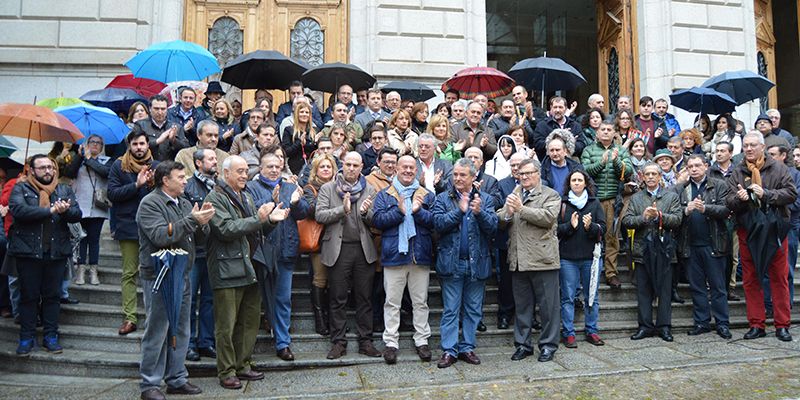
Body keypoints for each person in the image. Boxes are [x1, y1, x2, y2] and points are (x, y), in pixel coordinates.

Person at [205, 155, 289, 389]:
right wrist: (258, 219)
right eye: (239, 171)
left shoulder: (247, 196)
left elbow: (256, 227)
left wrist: (271, 221)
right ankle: (226, 371)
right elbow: (224, 229)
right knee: (227, 325)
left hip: (250, 266)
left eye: (246, 171)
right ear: (226, 174)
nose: (244, 175)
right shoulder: (215, 197)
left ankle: (243, 364)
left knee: (249, 321)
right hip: (227, 268)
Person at [136, 161, 213, 400]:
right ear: (164, 180)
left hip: (182, 274)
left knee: (181, 329)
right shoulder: (150, 203)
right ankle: (149, 384)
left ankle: (177, 378)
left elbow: (197, 238)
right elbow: (160, 235)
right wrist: (192, 221)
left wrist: (204, 222)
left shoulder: (186, 203)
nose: (185, 180)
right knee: (157, 330)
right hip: (159, 276)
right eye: (180, 177)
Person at [9, 155, 82, 356]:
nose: (48, 171)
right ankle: (26, 337)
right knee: (29, 296)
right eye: (42, 168)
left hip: (56, 252)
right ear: (32, 170)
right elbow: (19, 211)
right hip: (28, 252)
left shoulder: (63, 189)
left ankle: (51, 336)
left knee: (52, 296)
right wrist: (50, 210)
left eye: (50, 167)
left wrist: (65, 211)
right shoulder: (21, 188)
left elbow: (77, 214)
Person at [726, 132, 796, 342]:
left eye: (753, 145)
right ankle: (756, 324)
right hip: (748, 232)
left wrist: (766, 194)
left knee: (779, 279)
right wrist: (740, 198)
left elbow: (791, 194)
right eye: (746, 145)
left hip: (775, 232)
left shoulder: (779, 168)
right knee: (750, 280)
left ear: (762, 146)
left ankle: (782, 325)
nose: (748, 149)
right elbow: (728, 201)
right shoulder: (737, 172)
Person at [433, 158, 497, 368]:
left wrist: (479, 214)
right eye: (455, 175)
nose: (458, 178)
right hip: (452, 263)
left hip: (476, 264)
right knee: (451, 309)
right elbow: (438, 224)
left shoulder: (485, 199)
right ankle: (449, 350)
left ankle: (467, 347)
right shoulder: (443, 198)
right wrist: (459, 211)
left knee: (473, 309)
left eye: (463, 175)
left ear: (473, 177)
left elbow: (493, 228)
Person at [315, 152, 381, 360]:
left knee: (364, 298)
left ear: (362, 167)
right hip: (338, 248)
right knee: (337, 297)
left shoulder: (369, 189)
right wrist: (340, 210)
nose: (351, 168)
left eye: (355, 165)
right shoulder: (328, 188)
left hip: (363, 249)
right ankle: (338, 342)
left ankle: (366, 341)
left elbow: (375, 220)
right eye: (348, 164)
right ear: (342, 165)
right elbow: (319, 215)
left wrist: (365, 213)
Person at [372, 155, 435, 364]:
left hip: (419, 256)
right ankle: (391, 342)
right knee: (391, 302)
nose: (408, 170)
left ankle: (422, 340)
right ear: (396, 169)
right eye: (404, 167)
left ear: (416, 171)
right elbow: (378, 221)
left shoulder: (426, 195)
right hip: (394, 255)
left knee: (420, 302)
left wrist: (417, 212)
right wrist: (399, 213)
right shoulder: (385, 195)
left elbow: (434, 222)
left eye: (411, 167)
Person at [246, 152, 309, 363]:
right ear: (261, 169)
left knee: (283, 298)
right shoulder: (251, 188)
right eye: (269, 166)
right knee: (262, 297)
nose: (274, 170)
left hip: (286, 251)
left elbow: (303, 212)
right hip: (262, 252)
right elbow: (251, 213)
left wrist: (298, 203)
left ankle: (283, 342)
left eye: (277, 166)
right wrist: (270, 204)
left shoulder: (289, 186)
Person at [496, 157, 560, 362]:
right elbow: (500, 219)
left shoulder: (551, 195)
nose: (523, 177)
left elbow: (547, 218)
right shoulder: (515, 195)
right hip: (518, 260)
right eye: (520, 174)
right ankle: (523, 345)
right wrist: (508, 211)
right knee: (522, 308)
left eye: (527, 173)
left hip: (543, 259)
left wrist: (521, 209)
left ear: (537, 174)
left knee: (548, 308)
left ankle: (548, 346)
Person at [673, 155, 732, 339]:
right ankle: (702, 322)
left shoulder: (719, 185)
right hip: (690, 245)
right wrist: (686, 210)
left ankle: (722, 323)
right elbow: (673, 215)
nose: (694, 169)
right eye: (690, 166)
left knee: (718, 287)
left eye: (698, 165)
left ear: (706, 166)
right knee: (697, 287)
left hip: (713, 244)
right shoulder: (681, 188)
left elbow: (725, 210)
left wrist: (705, 208)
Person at [622, 162, 682, 342]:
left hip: (665, 250)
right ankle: (645, 326)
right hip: (642, 250)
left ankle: (664, 326)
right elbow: (627, 220)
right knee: (644, 291)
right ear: (642, 177)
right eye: (647, 174)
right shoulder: (636, 198)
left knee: (664, 291)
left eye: (654, 174)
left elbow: (678, 219)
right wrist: (643, 218)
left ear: (660, 177)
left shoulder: (671, 197)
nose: (650, 177)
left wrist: (659, 216)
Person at [108, 132, 158, 335]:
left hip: (153, 228)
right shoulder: (119, 166)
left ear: (148, 145)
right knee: (129, 273)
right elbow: (112, 194)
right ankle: (130, 317)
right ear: (129, 145)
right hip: (128, 226)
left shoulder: (156, 166)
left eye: (142, 143)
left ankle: (154, 316)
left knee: (155, 274)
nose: (139, 147)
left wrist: (153, 183)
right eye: (135, 144)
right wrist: (136, 185)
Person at [556, 169, 607, 348]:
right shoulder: (562, 203)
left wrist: (590, 227)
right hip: (567, 258)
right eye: (573, 180)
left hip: (590, 258)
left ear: (586, 183)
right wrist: (570, 226)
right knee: (568, 297)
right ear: (569, 183)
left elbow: (603, 228)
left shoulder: (594, 203)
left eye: (580, 180)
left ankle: (591, 330)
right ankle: (568, 333)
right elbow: (555, 230)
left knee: (591, 295)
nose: (576, 183)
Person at [581, 120, 632, 288]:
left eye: (609, 130)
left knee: (611, 237)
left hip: (612, 200)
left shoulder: (621, 150)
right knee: (589, 236)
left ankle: (611, 273)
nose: (605, 132)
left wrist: (616, 161)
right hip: (592, 200)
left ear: (614, 133)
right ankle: (589, 273)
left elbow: (628, 171)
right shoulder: (589, 150)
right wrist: (601, 163)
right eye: (602, 129)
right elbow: (584, 172)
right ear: (597, 133)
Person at [183, 149, 219, 362]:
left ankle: (206, 341)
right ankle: (188, 344)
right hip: (195, 251)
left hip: (214, 250)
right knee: (189, 300)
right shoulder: (188, 186)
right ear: (198, 163)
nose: (215, 161)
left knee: (209, 299)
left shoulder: (219, 184)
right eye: (211, 159)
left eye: (216, 158)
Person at [62, 135, 112, 286]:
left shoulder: (107, 161)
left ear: (102, 146)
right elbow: (69, 172)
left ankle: (94, 270)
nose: (95, 145)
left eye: (98, 143)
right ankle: (81, 270)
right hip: (81, 205)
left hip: (98, 205)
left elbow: (105, 172)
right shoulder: (79, 159)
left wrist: (90, 159)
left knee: (94, 239)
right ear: (87, 144)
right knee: (81, 238)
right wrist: (80, 156)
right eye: (92, 142)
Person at [762, 145, 800, 321]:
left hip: (788, 226)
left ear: (783, 156)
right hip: (767, 225)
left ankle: (786, 306)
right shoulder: (764, 172)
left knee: (787, 270)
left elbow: (796, 201)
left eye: (772, 154)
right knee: (767, 270)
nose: (768, 157)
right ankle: (769, 306)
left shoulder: (795, 174)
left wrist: (775, 202)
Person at [302, 154, 337, 336]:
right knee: (320, 278)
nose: (325, 169)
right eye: (322, 167)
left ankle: (333, 319)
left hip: (338, 238)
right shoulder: (309, 188)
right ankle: (320, 318)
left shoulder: (340, 187)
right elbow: (312, 210)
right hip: (319, 240)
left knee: (335, 281)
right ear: (316, 170)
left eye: (328, 167)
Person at [131, 95, 190, 161]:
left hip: (170, 167)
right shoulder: (140, 125)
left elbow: (186, 150)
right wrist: (157, 141)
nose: (160, 112)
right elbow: (135, 147)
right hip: (148, 166)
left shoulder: (177, 126)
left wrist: (173, 140)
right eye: (156, 109)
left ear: (167, 109)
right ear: (150, 109)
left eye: (163, 109)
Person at [282, 101, 318, 175]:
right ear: (296, 114)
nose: (304, 114)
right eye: (301, 112)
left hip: (312, 168)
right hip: (294, 168)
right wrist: (299, 143)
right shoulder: (289, 130)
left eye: (307, 112)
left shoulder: (315, 131)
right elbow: (286, 152)